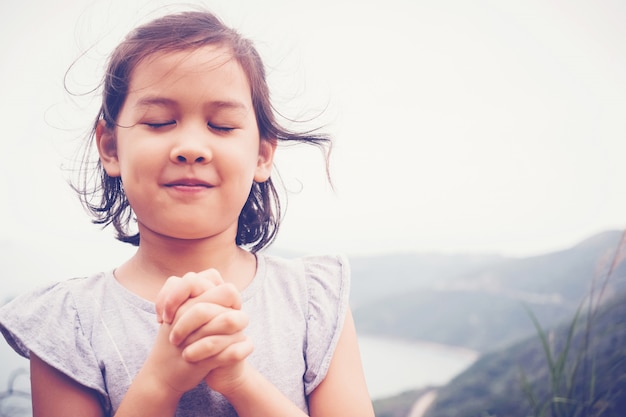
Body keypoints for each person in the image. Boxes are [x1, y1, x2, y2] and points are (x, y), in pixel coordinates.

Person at [0, 10, 374, 417]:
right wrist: (161, 381)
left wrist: (240, 382)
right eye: (160, 122)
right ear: (110, 148)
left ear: (263, 155)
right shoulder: (66, 323)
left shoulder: (315, 299)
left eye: (222, 125)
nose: (191, 146)